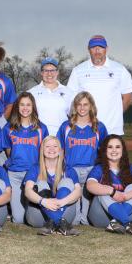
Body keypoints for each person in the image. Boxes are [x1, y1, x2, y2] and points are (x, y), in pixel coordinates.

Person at [67, 35, 132, 135]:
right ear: (89, 49)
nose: (97, 50)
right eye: (94, 47)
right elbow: (71, 99)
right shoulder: (78, 71)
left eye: (101, 47)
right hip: (86, 130)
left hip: (113, 130)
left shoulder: (120, 70)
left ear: (106, 49)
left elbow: (128, 98)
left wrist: (116, 115)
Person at [57, 91, 108, 225]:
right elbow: (60, 149)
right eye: (79, 104)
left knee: (85, 220)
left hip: (90, 170)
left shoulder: (99, 127)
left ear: (91, 106)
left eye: (86, 104)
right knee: (73, 220)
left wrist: (101, 170)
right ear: (74, 106)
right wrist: (60, 168)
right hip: (71, 169)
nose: (82, 108)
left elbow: (104, 152)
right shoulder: (66, 126)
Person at [86, 134, 132, 237]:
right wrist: (112, 192)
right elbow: (90, 185)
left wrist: (127, 196)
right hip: (102, 217)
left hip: (128, 213)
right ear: (104, 150)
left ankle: (116, 222)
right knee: (103, 189)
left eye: (117, 147)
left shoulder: (131, 168)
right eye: (110, 147)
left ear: (123, 150)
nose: (114, 150)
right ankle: (127, 223)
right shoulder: (99, 168)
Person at [2, 92, 49, 224]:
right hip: (15, 174)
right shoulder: (8, 127)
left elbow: (44, 152)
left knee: (33, 217)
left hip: (33, 174)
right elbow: (8, 150)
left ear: (33, 107)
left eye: (28, 105)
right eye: (22, 104)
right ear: (17, 107)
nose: (25, 108)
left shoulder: (41, 128)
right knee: (18, 220)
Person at [24, 136, 82, 236]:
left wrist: (61, 202)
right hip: (40, 216)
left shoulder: (68, 169)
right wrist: (44, 201)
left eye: (55, 146)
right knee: (41, 183)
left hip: (63, 211)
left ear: (60, 150)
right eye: (47, 146)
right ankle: (60, 224)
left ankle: (53, 224)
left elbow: (78, 191)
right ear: (42, 150)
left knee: (67, 181)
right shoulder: (35, 168)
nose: (51, 149)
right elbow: (27, 191)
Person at [27, 57, 74, 136]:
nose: (49, 74)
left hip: (61, 137)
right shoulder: (31, 93)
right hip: (38, 137)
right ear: (41, 73)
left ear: (57, 72)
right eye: (46, 70)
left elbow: (74, 116)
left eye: (52, 70)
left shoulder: (69, 92)